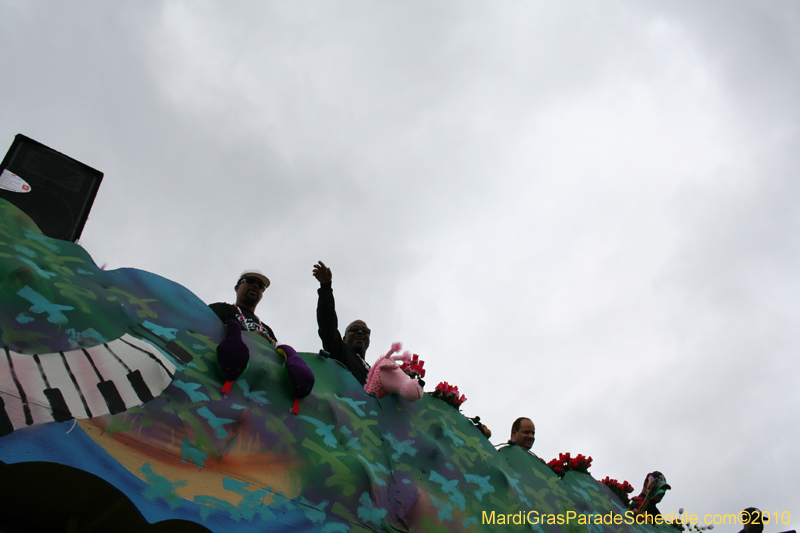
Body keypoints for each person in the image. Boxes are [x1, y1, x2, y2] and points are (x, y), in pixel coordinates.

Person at [313, 261, 371, 384]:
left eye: (365, 331)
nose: (360, 331)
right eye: (354, 329)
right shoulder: (340, 352)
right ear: (344, 339)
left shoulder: (375, 372)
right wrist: (325, 288)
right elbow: (328, 325)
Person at [209, 269, 277, 347]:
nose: (255, 286)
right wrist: (247, 338)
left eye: (261, 286)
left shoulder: (267, 330)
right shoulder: (222, 309)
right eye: (250, 281)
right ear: (237, 287)